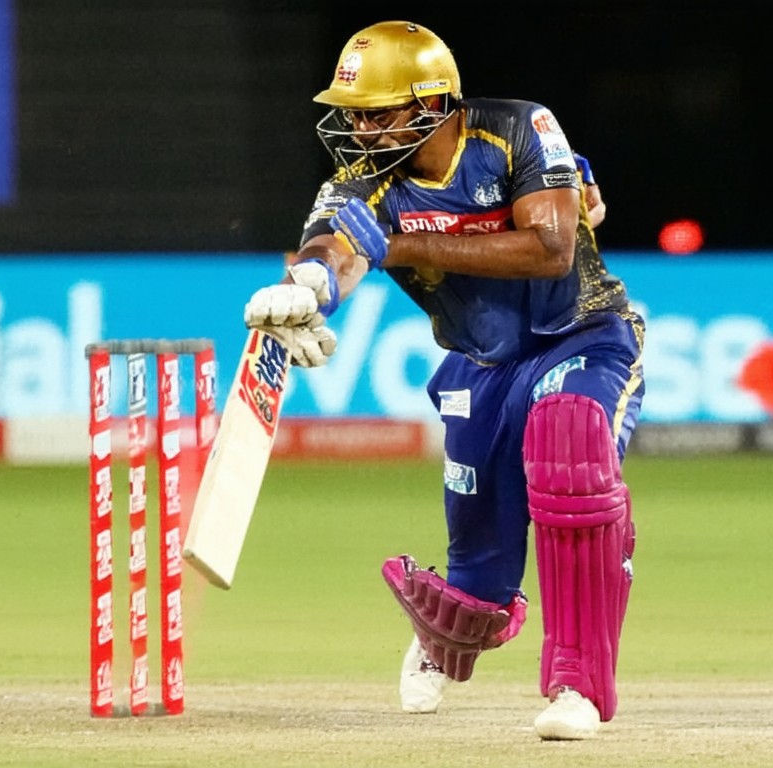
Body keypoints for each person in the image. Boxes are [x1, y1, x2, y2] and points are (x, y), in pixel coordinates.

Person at [243, 20, 643, 740]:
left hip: (581, 334)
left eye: (378, 114)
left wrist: (397, 245)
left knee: (570, 444)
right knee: (479, 581)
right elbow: (333, 248)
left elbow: (552, 248)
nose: (360, 131)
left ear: (433, 103)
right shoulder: (363, 179)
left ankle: (577, 685)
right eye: (353, 115)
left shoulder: (516, 130)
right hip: (480, 365)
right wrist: (308, 290)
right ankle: (447, 632)